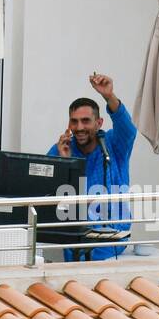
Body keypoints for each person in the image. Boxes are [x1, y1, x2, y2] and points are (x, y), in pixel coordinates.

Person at [47, 73, 136, 261]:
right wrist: (66, 163)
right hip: (74, 240)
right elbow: (48, 195)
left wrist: (109, 96)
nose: (79, 127)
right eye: (74, 121)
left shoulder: (112, 143)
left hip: (110, 241)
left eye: (86, 121)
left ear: (99, 122)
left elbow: (128, 129)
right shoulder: (61, 149)